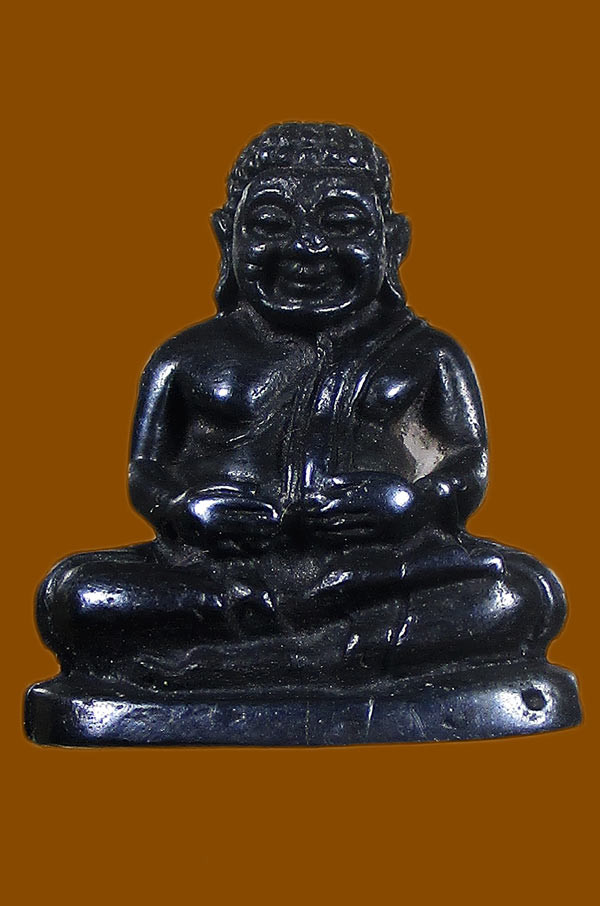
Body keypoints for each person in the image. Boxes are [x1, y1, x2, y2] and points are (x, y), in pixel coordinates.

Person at [35, 123, 568, 698]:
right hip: (222, 574)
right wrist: (186, 512)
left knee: (523, 590)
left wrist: (413, 505)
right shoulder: (186, 356)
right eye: (271, 224)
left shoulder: (427, 352)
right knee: (76, 594)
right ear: (225, 236)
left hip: (375, 572)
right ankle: (329, 653)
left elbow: (468, 460)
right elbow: (145, 471)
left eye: (342, 224)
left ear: (393, 241)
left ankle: (242, 661)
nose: (307, 247)